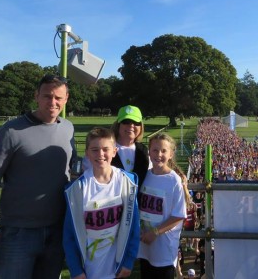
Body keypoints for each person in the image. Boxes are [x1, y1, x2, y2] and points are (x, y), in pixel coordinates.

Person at [0, 74, 77, 278]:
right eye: (47, 96)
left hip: (57, 231)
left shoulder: (68, 128)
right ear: (36, 96)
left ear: (66, 99)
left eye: (58, 98)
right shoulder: (11, 131)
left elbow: (74, 170)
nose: (53, 102)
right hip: (18, 233)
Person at [63, 127, 140, 279]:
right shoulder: (77, 189)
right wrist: (76, 270)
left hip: (116, 269)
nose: (100, 154)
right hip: (88, 271)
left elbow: (134, 226)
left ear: (114, 151)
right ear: (87, 153)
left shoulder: (127, 182)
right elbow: (69, 235)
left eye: (106, 149)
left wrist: (128, 262)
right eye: (94, 150)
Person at [137, 133, 187, 278]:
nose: (159, 154)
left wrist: (155, 232)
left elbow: (179, 215)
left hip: (164, 249)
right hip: (145, 246)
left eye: (164, 151)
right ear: (149, 152)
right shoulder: (145, 176)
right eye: (155, 150)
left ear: (171, 154)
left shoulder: (174, 181)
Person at [111, 105, 151, 188]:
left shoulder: (144, 151)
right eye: (126, 121)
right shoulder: (106, 149)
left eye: (136, 122)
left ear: (141, 127)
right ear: (118, 125)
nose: (131, 125)